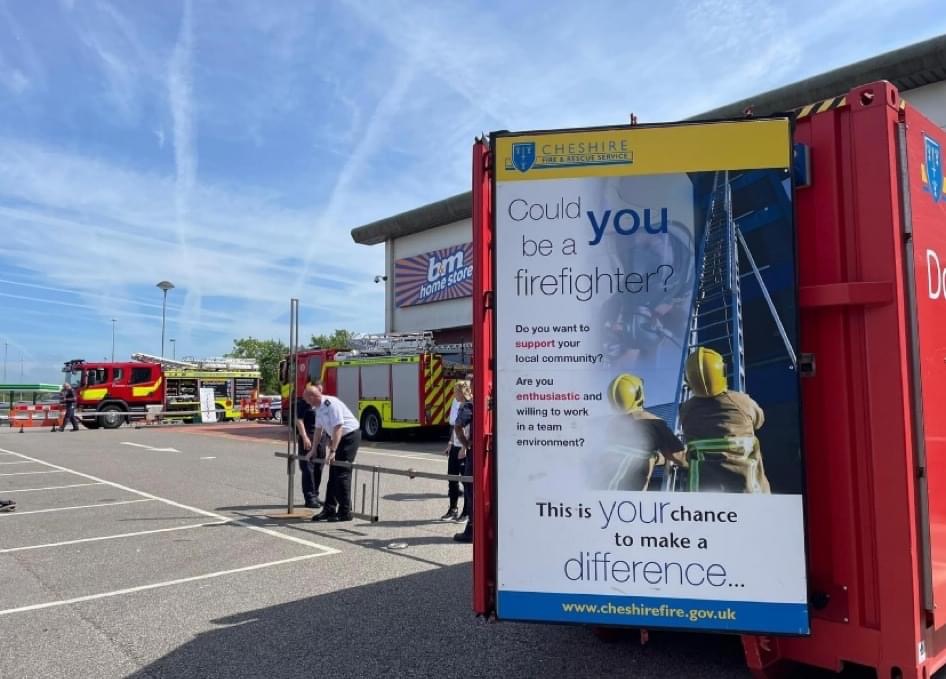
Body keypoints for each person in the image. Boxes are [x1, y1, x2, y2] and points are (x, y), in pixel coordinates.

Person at [679, 347, 771, 494]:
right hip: (750, 492)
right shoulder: (742, 402)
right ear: (722, 372)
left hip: (703, 493)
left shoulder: (685, 410)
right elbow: (759, 422)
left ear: (688, 380)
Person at [598, 373, 685, 491]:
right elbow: (678, 456)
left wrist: (656, 457)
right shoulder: (654, 423)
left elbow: (633, 452)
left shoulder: (612, 425)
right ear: (639, 395)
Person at [307, 382, 362, 523]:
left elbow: (338, 427)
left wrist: (332, 450)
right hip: (339, 437)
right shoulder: (318, 408)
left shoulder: (330, 404)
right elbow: (318, 430)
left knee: (342, 474)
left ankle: (345, 511)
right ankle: (329, 509)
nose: (306, 401)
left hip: (349, 436)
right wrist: (313, 450)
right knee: (333, 474)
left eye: (306, 397)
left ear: (313, 396)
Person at [440, 381, 468, 521]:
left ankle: (466, 512)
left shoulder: (468, 405)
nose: (454, 394)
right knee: (452, 478)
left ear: (462, 392)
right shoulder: (456, 403)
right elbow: (454, 427)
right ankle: (453, 509)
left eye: (456, 391)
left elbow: (468, 430)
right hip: (455, 446)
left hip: (464, 448)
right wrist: (450, 443)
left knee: (466, 481)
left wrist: (464, 447)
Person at [293, 390, 324, 509]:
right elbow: (298, 420)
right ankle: (309, 497)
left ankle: (315, 495)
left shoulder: (321, 404)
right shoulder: (303, 404)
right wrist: (304, 437)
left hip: (321, 439)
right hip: (308, 438)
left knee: (318, 468)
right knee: (308, 469)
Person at [453, 381, 474, 543]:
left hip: (474, 454)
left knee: (469, 488)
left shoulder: (467, 406)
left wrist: (465, 445)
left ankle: (471, 529)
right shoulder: (477, 403)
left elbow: (458, 426)